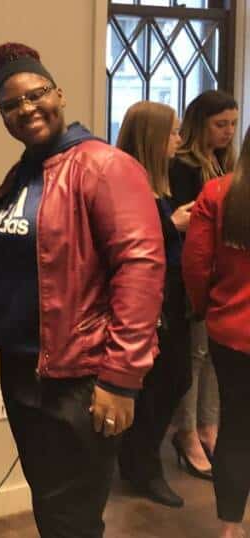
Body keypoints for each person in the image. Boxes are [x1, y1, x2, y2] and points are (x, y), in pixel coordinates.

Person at [0, 43, 164, 537]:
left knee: (72, 517)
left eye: (36, 94)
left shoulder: (104, 166)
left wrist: (121, 378)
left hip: (80, 378)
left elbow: (140, 268)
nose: (26, 109)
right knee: (53, 508)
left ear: (59, 93)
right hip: (25, 371)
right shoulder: (25, 173)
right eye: (11, 104)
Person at [114, 100, 192, 508]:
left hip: (169, 296)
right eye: (175, 131)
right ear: (154, 137)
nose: (180, 139)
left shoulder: (154, 182)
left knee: (173, 381)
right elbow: (128, 243)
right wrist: (171, 224)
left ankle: (139, 462)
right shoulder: (129, 183)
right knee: (164, 382)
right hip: (150, 303)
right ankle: (143, 466)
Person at [168, 90, 239, 479]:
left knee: (214, 357)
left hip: (225, 274)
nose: (228, 131)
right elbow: (186, 228)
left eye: (232, 123)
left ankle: (210, 426)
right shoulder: (184, 166)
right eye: (220, 124)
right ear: (201, 124)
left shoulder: (225, 162)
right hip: (197, 275)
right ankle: (187, 430)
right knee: (196, 356)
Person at [184, 127, 250, 538]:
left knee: (237, 426)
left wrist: (206, 308)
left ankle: (230, 525)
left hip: (231, 331)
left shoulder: (218, 193)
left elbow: (195, 265)